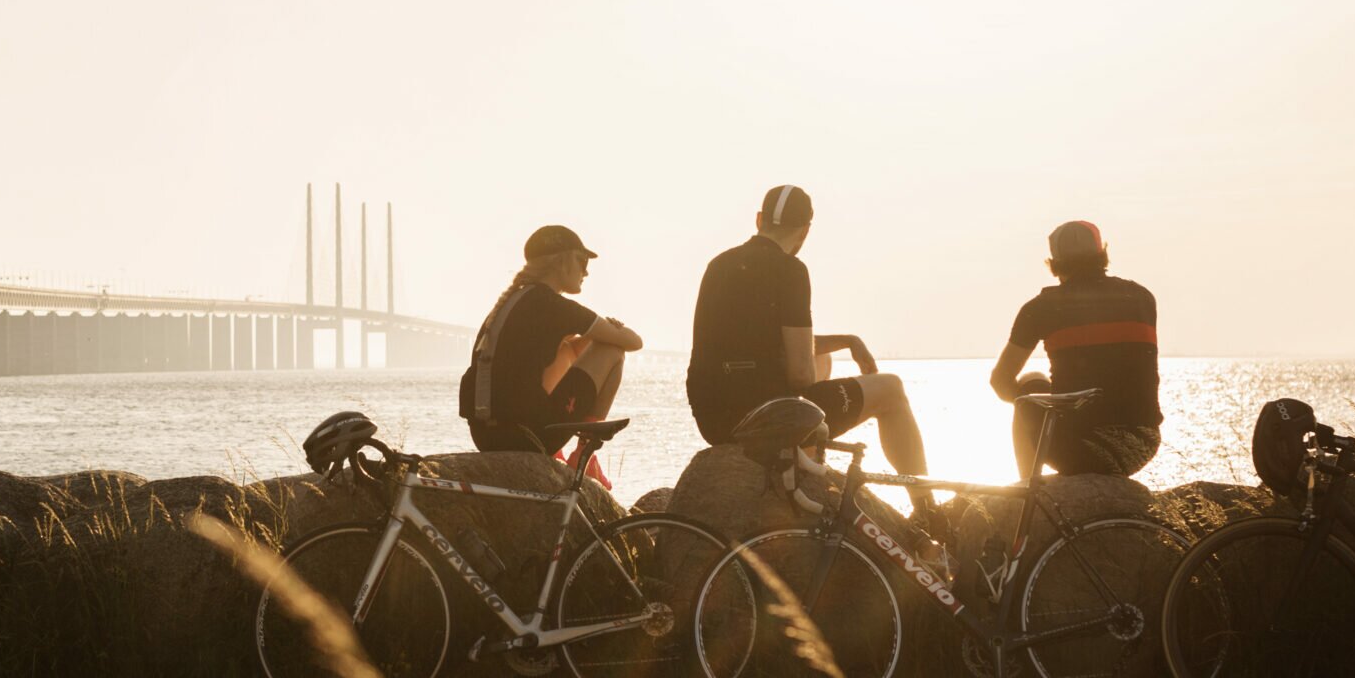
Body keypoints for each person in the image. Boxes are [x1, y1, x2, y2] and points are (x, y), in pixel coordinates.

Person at [686, 185, 929, 479]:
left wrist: (846, 342)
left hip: (714, 420)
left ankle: (808, 464)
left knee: (824, 360)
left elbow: (756, 341)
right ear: (804, 232)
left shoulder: (719, 264)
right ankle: (926, 507)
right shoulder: (791, 270)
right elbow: (801, 376)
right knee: (891, 389)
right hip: (767, 420)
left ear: (759, 219)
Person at [989, 220, 1162, 477]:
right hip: (1143, 443)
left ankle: (1030, 489)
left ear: (1053, 262)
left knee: (1030, 387)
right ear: (1102, 252)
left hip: (1080, 449)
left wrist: (1034, 412)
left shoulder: (1041, 308)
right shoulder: (1141, 297)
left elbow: (1000, 382)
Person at [457, 224, 643, 452]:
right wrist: (613, 331)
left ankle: (562, 452)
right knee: (611, 350)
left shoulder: (510, 303)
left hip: (485, 436)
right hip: (528, 437)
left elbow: (571, 353)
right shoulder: (556, 307)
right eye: (581, 261)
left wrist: (592, 338)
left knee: (565, 348)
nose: (586, 272)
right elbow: (634, 342)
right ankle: (585, 451)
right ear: (559, 261)